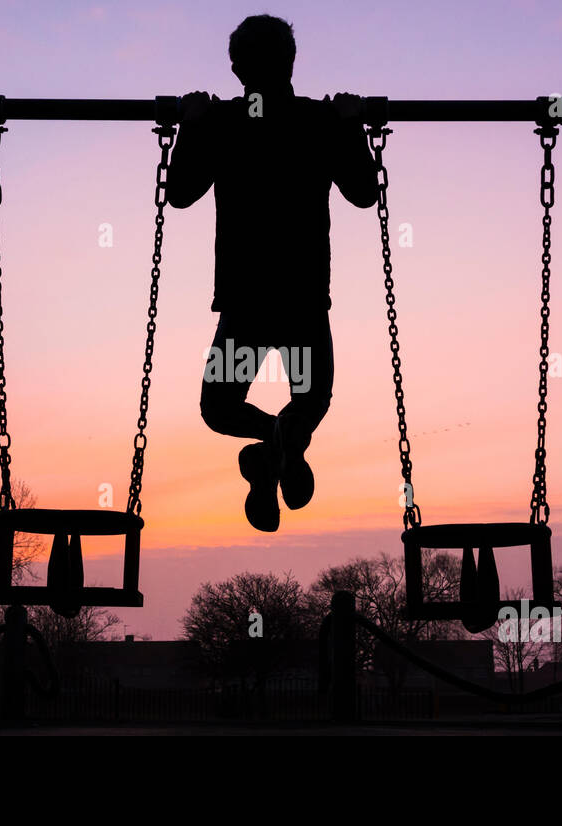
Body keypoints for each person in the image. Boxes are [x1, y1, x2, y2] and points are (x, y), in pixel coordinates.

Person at [165, 14, 379, 531]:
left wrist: (191, 125)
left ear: (236, 69)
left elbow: (180, 193)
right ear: (292, 62)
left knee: (221, 408)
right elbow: (363, 192)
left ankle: (270, 449)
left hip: (246, 303)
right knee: (311, 400)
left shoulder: (223, 123)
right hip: (302, 299)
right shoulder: (319, 122)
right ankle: (282, 444)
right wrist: (350, 124)